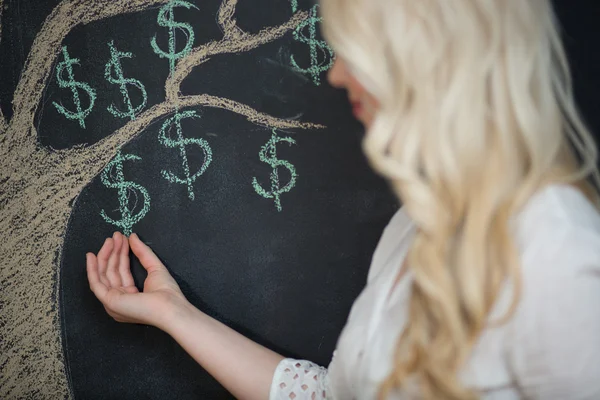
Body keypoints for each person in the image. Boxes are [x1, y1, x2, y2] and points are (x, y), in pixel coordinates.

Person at [86, 0, 600, 398]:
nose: (335, 74)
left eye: (357, 48)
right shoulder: (417, 226)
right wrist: (175, 313)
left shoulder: (556, 257)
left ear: (430, 54)